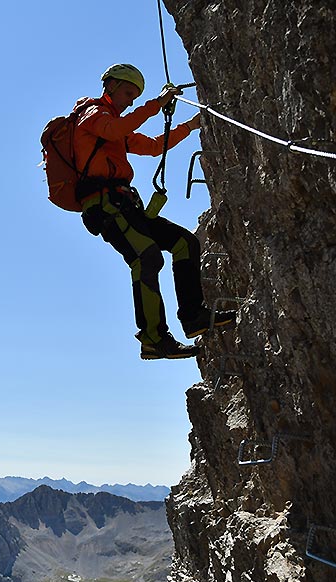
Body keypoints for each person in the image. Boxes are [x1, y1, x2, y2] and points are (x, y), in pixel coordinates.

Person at [75, 63, 235, 360]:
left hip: (125, 206)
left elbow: (152, 146)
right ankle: (153, 338)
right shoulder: (94, 116)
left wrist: (190, 125)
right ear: (109, 86)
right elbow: (116, 128)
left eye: (135, 96)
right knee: (147, 256)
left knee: (185, 243)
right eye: (127, 92)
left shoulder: (112, 128)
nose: (130, 100)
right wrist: (155, 104)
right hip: (105, 205)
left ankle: (193, 316)